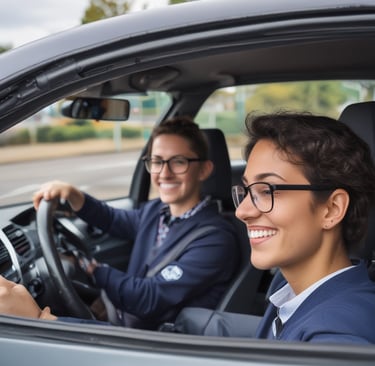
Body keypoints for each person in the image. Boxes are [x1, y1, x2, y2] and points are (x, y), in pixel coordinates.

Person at [0, 116, 239, 330]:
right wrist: (75, 195)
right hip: (126, 319)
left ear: (204, 170)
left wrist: (89, 267)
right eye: (156, 161)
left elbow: (149, 298)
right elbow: (114, 220)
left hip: (158, 342)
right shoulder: (157, 211)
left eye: (178, 162)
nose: (164, 173)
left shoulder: (215, 239)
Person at [231, 112, 375, 344]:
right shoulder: (290, 288)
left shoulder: (338, 336)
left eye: (267, 191)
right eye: (247, 190)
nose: (242, 211)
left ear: (331, 208)